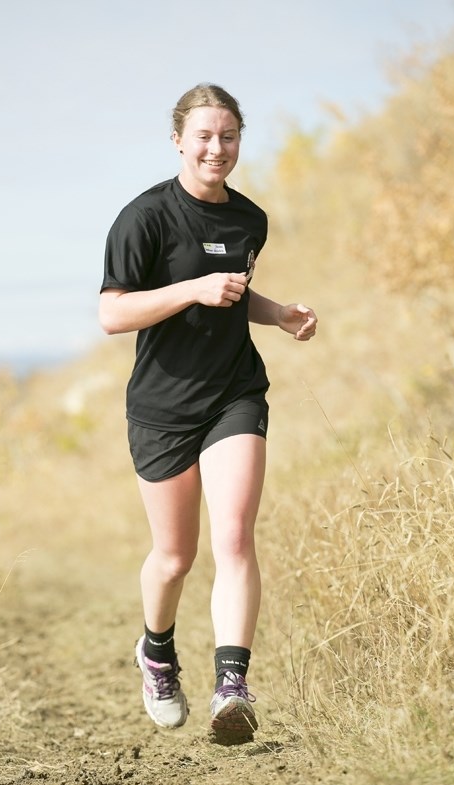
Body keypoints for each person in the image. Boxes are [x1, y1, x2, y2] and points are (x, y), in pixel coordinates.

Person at [99, 83, 317, 744]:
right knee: (175, 557)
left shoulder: (248, 221)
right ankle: (157, 653)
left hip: (233, 392)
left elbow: (233, 290)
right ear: (178, 141)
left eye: (227, 136)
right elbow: (112, 314)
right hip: (163, 407)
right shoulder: (145, 218)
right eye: (203, 136)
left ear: (239, 141)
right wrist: (191, 287)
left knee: (235, 537)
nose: (216, 148)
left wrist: (276, 312)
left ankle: (232, 686)